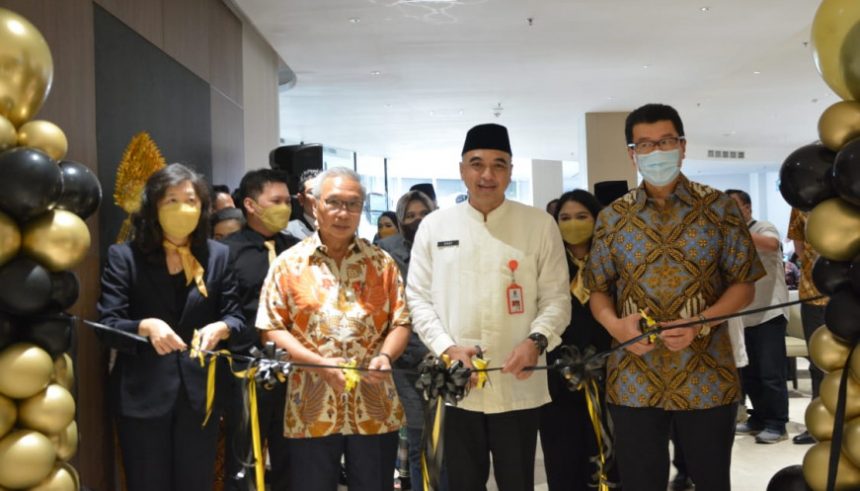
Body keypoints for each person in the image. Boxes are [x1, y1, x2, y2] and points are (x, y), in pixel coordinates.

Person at [585, 104, 764, 491]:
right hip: (633, 376)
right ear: (632, 153)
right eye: (645, 144)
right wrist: (616, 326)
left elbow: (744, 284)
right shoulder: (613, 217)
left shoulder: (719, 209)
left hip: (706, 372)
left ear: (682, 146)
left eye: (665, 141)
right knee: (639, 481)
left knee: (711, 480)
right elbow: (597, 289)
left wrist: (702, 321)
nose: (656, 152)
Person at [407, 123, 571, 490]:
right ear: (461, 169)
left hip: (518, 381)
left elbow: (557, 298)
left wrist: (537, 341)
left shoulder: (538, 225)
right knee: (462, 483)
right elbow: (417, 298)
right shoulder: (434, 226)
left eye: (499, 165)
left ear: (511, 171)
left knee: (517, 481)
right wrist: (447, 348)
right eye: (477, 163)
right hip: (457, 383)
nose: (487, 175)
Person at [256, 167, 411, 491]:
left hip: (374, 405)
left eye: (352, 204)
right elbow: (270, 328)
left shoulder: (381, 263)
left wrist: (386, 356)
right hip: (310, 407)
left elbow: (400, 320)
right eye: (334, 202)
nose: (343, 213)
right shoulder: (288, 264)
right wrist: (318, 363)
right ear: (315, 205)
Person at [97, 163, 245, 491]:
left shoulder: (218, 255)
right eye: (171, 200)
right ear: (153, 207)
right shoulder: (124, 256)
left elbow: (236, 316)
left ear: (203, 207)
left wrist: (222, 327)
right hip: (142, 395)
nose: (183, 208)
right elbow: (106, 325)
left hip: (200, 397)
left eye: (191, 200)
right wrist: (144, 326)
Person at [221, 169, 301, 490]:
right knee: (244, 458)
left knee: (292, 458)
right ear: (251, 205)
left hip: (295, 368)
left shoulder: (298, 250)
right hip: (246, 369)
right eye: (276, 201)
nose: (285, 207)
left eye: (288, 201)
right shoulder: (226, 252)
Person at [540, 189, 613, 491]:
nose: (573, 224)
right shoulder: (548, 264)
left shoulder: (612, 260)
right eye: (565, 218)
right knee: (562, 457)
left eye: (582, 216)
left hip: (607, 374)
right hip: (558, 377)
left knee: (606, 455)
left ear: (597, 219)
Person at [378, 189, 441, 491]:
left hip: (447, 357)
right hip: (406, 361)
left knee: (447, 444)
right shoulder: (387, 251)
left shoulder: (448, 246)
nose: (418, 220)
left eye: (424, 214)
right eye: (410, 216)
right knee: (419, 442)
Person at [725, 189, 790, 444]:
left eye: (733, 206)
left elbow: (772, 245)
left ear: (747, 208)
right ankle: (759, 418)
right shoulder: (727, 237)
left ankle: (777, 423)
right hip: (743, 314)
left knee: (770, 373)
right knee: (749, 373)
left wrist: (734, 230)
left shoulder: (763, 227)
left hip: (769, 312)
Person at [787, 207, 829, 445]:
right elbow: (798, 241)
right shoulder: (801, 202)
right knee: (817, 363)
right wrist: (809, 265)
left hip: (849, 293)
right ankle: (819, 424)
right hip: (812, 294)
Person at [285, 168, 320, 239]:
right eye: (312, 192)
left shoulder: (339, 225)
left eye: (324, 192)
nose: (320, 197)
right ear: (301, 199)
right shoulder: (289, 230)